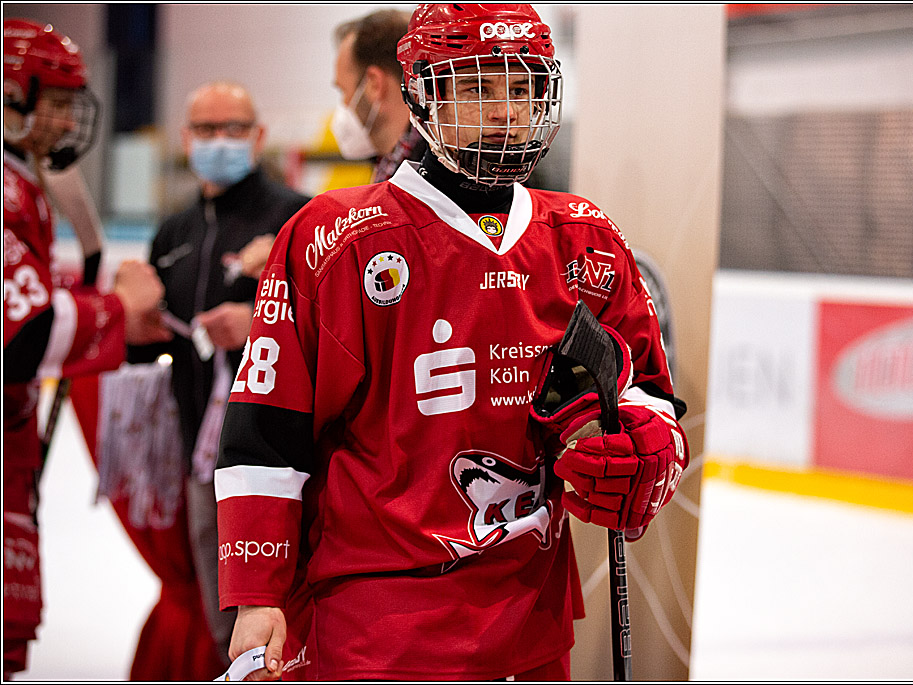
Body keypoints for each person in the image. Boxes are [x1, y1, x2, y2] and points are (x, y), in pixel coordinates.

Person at [216, 4, 689, 681]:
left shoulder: (585, 238)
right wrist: (257, 592)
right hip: (378, 627)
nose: (505, 112)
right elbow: (266, 430)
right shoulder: (334, 238)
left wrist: (646, 442)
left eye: (522, 87)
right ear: (422, 94)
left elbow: (643, 387)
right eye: (476, 87)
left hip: (531, 620)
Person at [3, 18, 168, 677]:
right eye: (56, 101)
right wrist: (117, 309)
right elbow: (22, 338)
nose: (70, 118)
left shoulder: (23, 182)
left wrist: (122, 330)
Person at [126, 81, 310, 667]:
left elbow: (332, 328)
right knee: (223, 631)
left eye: (234, 128)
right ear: (186, 139)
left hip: (283, 458)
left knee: (288, 627)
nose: (220, 141)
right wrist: (129, 316)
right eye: (206, 129)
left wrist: (257, 320)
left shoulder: (298, 215)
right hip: (202, 459)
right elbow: (145, 350)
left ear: (258, 136)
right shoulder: (174, 232)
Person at [331, 8, 427, 181]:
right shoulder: (390, 164)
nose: (344, 105)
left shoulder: (427, 172)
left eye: (343, 91)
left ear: (375, 84)